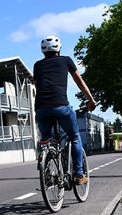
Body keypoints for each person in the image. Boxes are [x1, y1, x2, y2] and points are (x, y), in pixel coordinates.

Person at [33, 35, 96, 185]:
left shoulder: (37, 65)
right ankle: (79, 175)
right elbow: (79, 82)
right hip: (61, 106)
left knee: (45, 141)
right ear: (59, 48)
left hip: (41, 109)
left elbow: (37, 85)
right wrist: (91, 100)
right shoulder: (66, 60)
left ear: (43, 51)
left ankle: (46, 169)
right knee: (74, 137)